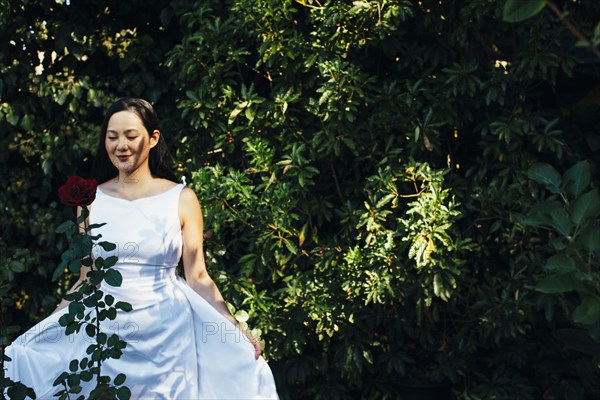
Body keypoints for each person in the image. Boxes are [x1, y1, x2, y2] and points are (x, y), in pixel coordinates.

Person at [5, 98, 279, 399]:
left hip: (167, 333)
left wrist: (234, 328)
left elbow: (198, 275)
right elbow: (86, 278)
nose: (121, 145)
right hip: (106, 331)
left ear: (153, 138)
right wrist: (43, 329)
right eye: (112, 137)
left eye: (131, 136)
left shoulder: (182, 198)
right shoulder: (90, 202)